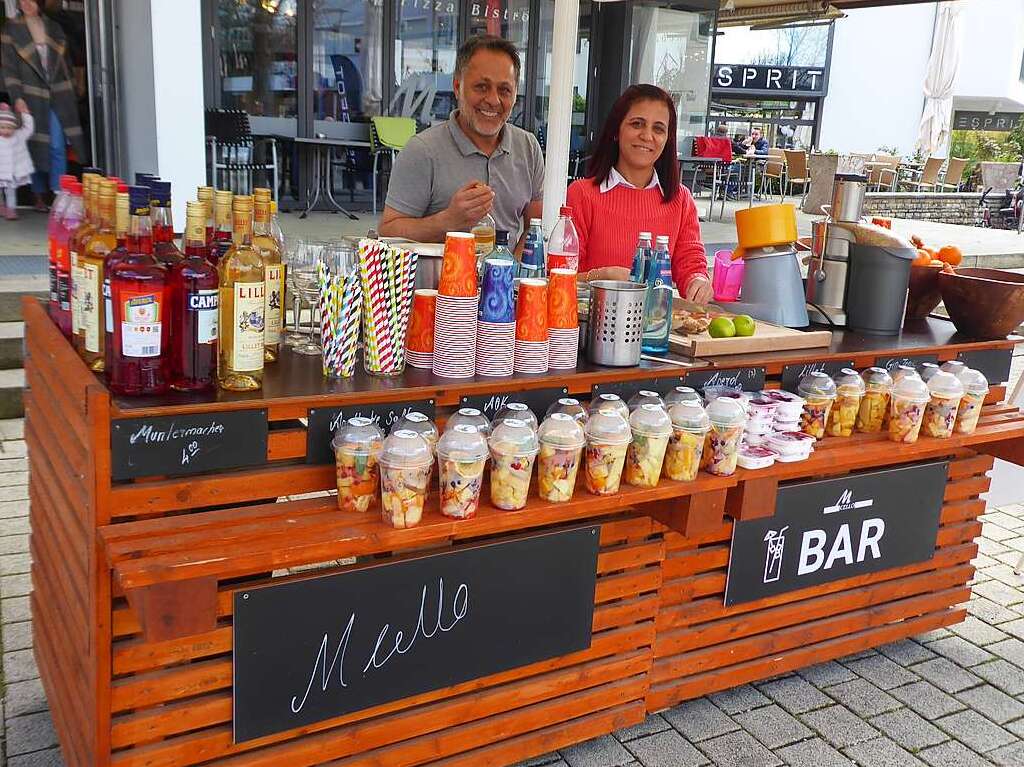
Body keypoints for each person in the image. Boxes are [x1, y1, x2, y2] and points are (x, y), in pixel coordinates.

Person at [378, 35, 543, 250]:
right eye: (482, 87)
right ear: (457, 87)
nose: (493, 100)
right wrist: (447, 220)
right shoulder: (422, 150)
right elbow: (388, 232)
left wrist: (511, 274)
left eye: (504, 90)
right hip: (434, 281)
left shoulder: (528, 147)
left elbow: (535, 228)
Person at [565, 84, 712, 303]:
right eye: (637, 124)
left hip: (658, 329)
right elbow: (562, 277)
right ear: (616, 130)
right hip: (592, 328)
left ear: (668, 139)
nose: (647, 136)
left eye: (659, 129)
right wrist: (603, 278)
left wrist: (698, 281)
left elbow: (690, 262)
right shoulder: (582, 194)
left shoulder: (681, 199)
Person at [0, 0, 87, 210]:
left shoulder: (54, 27)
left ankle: (58, 195)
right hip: (29, 95)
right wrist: (17, 97)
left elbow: (65, 62)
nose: (25, 3)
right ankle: (38, 195)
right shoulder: (11, 29)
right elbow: (9, 69)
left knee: (57, 146)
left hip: (58, 92)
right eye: (21, 0)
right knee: (34, 145)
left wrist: (74, 88)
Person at [0, 100, 35, 220]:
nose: (6, 131)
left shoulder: (18, 136)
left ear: (14, 127)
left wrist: (25, 114)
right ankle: (1, 206)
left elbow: (28, 129)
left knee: (11, 191)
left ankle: (11, 209)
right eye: (2, 127)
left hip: (11, 173)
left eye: (9, 128)